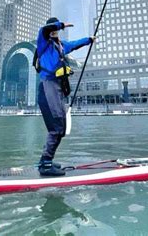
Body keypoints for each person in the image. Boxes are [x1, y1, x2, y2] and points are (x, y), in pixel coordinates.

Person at [36, 17, 95, 176]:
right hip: (48, 86)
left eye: (57, 29)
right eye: (53, 29)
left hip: (58, 88)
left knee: (60, 128)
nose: (55, 31)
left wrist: (89, 40)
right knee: (56, 127)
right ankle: (45, 164)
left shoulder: (61, 46)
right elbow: (45, 29)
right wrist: (61, 25)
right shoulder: (43, 42)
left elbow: (75, 44)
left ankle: (47, 160)